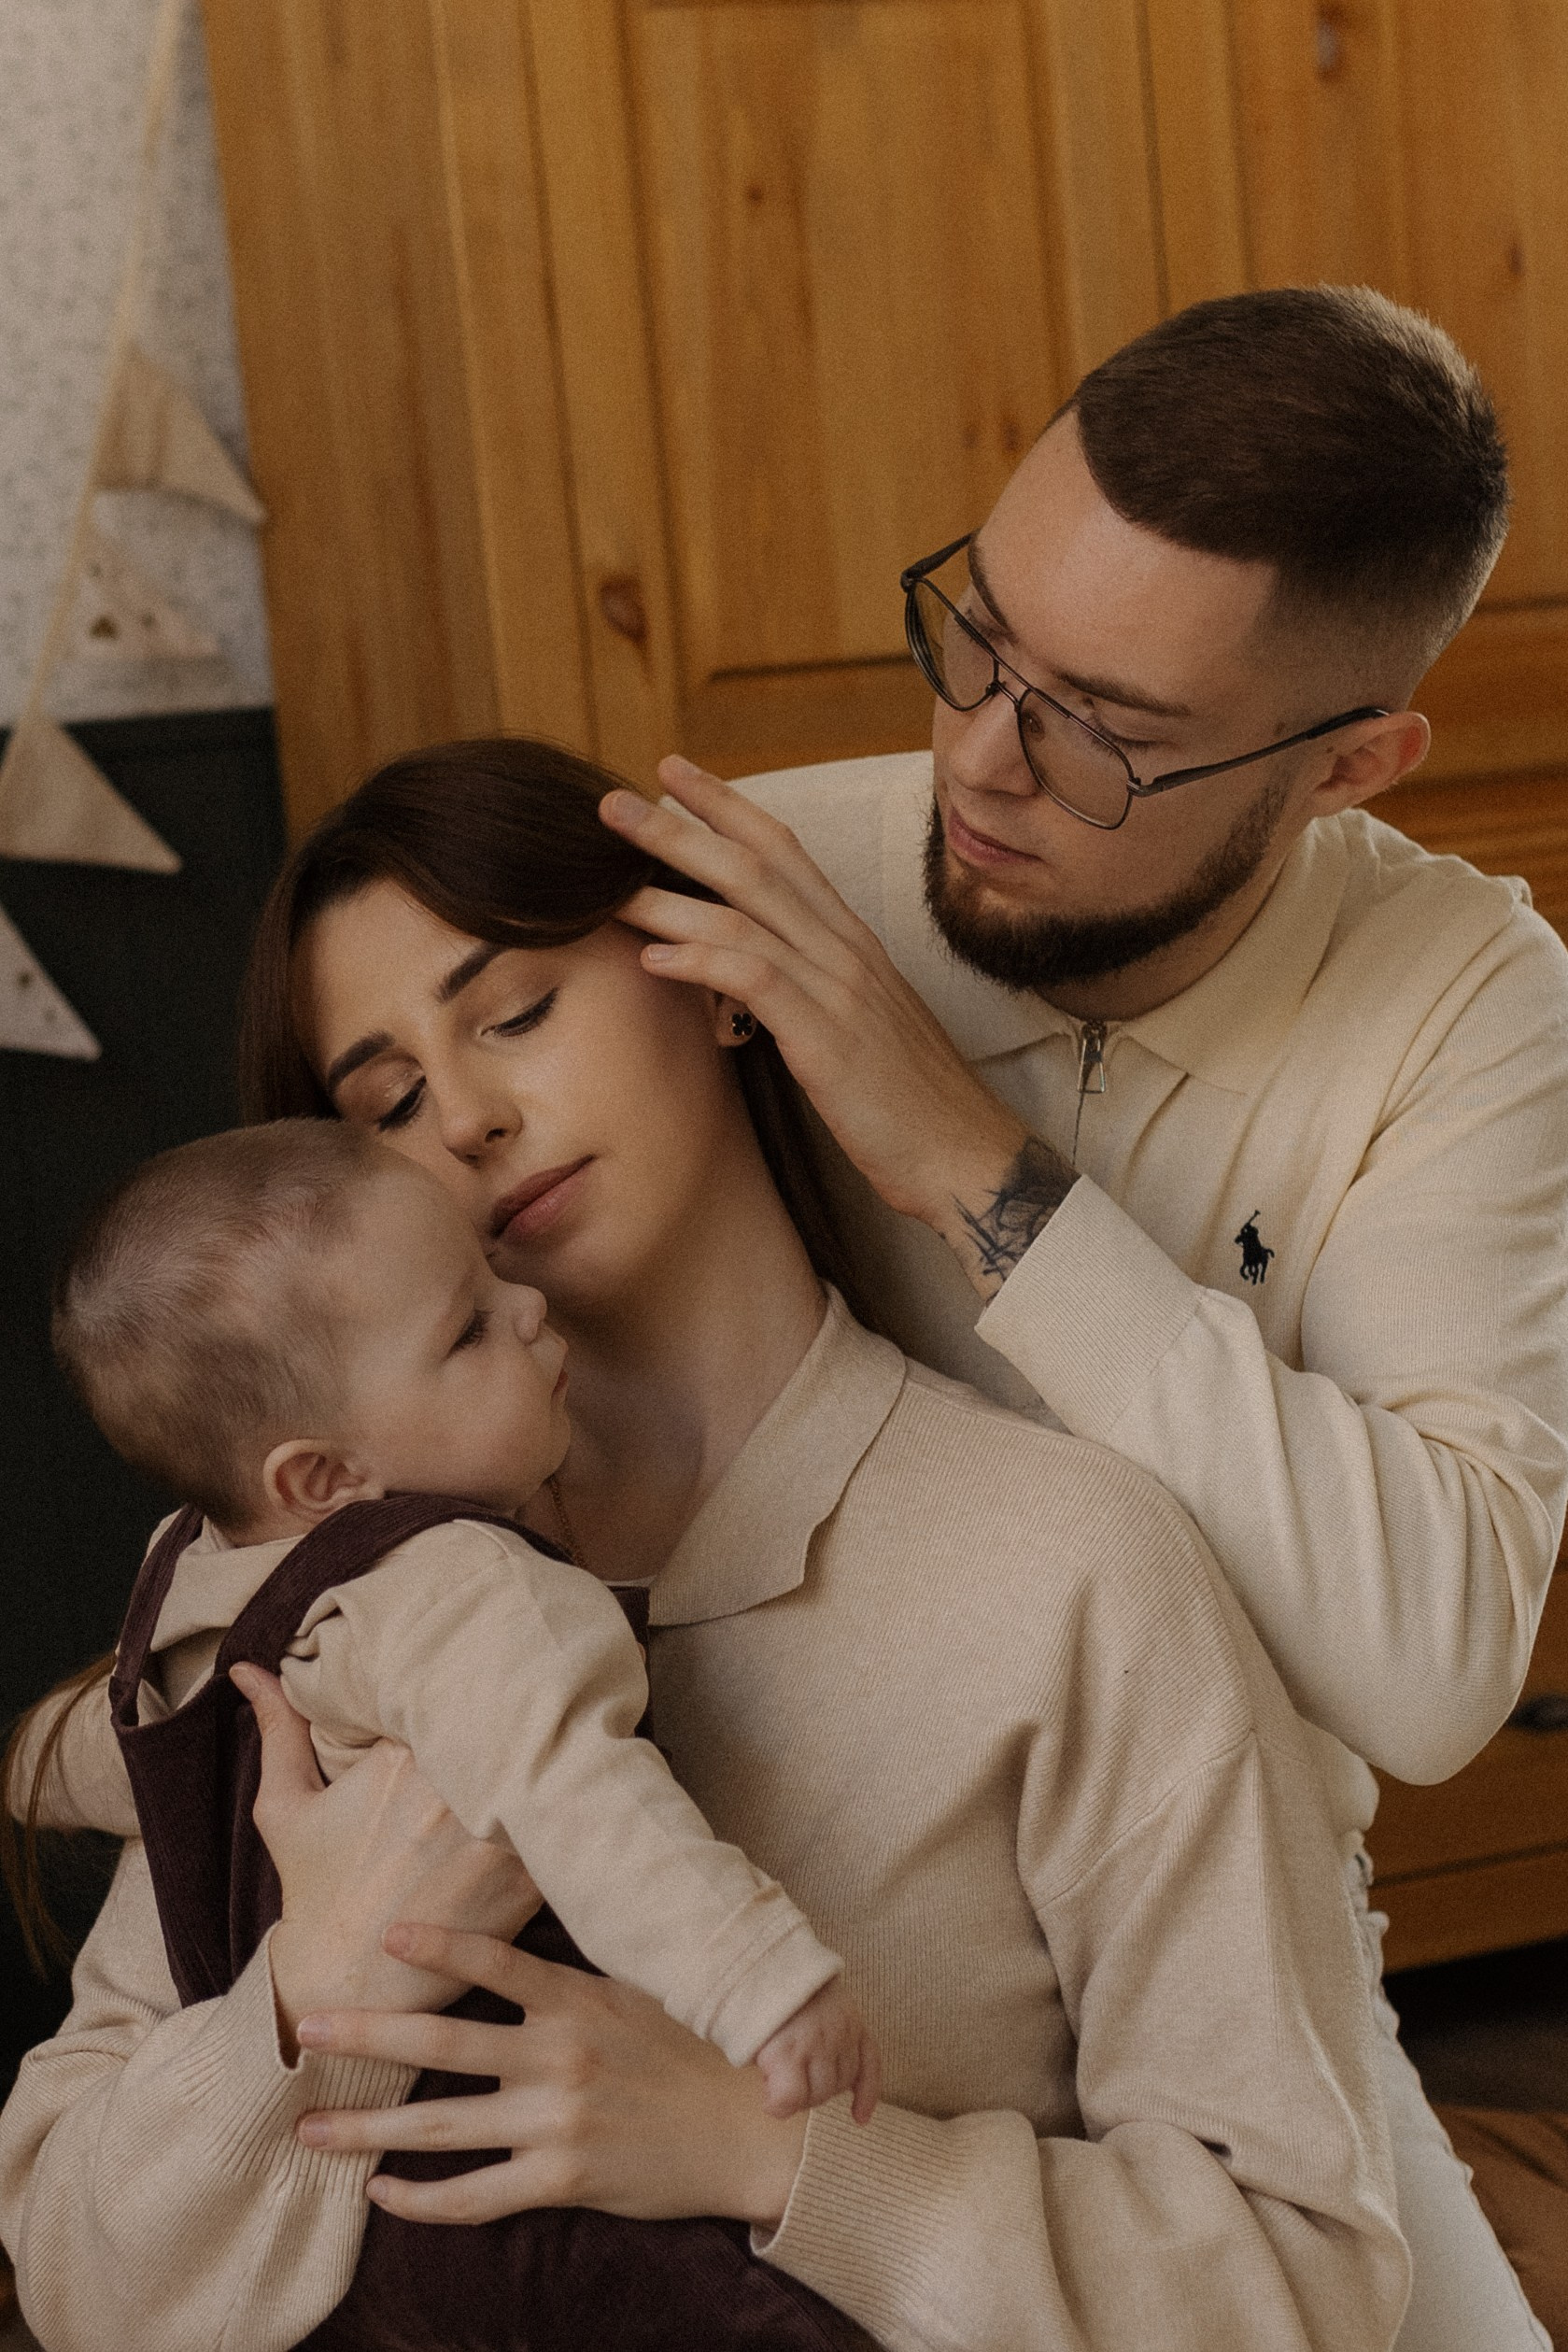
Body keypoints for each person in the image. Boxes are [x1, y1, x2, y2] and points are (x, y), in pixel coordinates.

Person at [0, 739, 1409, 2352]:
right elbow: (69, 2262)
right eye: (385, 1101)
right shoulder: (302, 1591)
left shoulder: (1067, 1569)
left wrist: (775, 2156)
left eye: (514, 1010)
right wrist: (312, 1995)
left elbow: (1303, 2280)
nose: (466, 1116)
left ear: (716, 980)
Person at [588, 283, 1568, 2350]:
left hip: (1229, 1958)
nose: (973, 753)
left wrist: (973, 1168)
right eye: (975, 635)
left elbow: (1423, 1671)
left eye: (1103, 729)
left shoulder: (1470, 1005)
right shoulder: (768, 880)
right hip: (762, 1928)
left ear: (1346, 764)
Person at [45, 1117, 875, 2118]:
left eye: (491, 1276)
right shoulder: (464, 1584)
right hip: (503, 2125)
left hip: (329, 2133)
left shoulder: (189, 1565)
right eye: (467, 1330)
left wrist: (32, 1775)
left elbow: (119, 1755)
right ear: (325, 1477)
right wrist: (760, 1982)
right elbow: (577, 1795)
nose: (526, 1305)